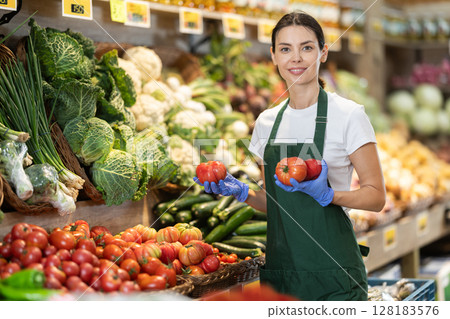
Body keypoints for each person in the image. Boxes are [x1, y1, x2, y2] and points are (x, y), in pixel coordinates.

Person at [194, 11, 386, 301]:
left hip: (335, 275)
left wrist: (330, 196)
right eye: (286, 49)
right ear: (273, 56)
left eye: (306, 47)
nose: (295, 58)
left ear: (323, 53)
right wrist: (243, 192)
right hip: (282, 276)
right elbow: (278, 204)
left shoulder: (348, 116)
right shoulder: (266, 123)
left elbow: (376, 197)